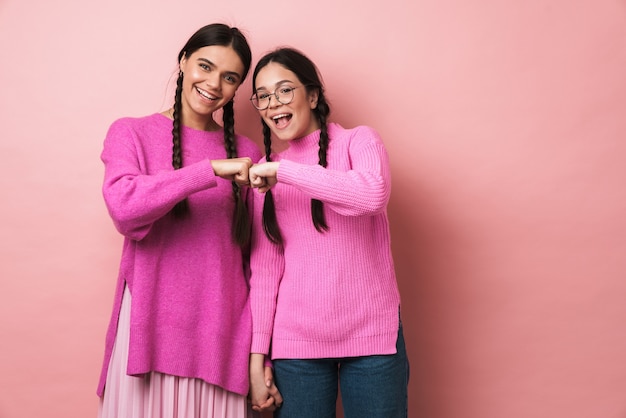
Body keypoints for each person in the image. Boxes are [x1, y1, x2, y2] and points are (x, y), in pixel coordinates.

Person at [96, 23, 280, 418]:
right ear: (183, 61)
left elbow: (259, 264)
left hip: (222, 340)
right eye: (205, 66)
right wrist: (207, 170)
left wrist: (258, 360)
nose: (214, 84)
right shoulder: (131, 133)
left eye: (229, 78)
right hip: (149, 333)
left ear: (237, 88)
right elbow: (124, 209)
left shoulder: (248, 154)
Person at [247, 47, 409, 418]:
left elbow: (371, 195)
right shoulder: (264, 174)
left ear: (313, 95)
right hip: (296, 347)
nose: (274, 104)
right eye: (264, 96)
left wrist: (285, 172)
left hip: (372, 339)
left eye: (285, 90)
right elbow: (266, 272)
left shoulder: (359, 141)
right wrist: (259, 361)